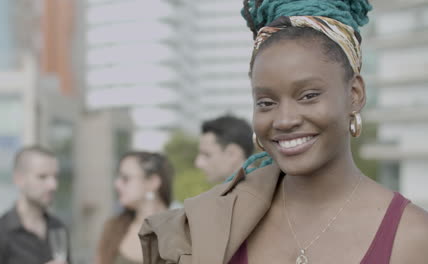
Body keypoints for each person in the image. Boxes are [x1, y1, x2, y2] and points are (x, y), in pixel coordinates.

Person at [139, 1, 428, 263]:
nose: (285, 120)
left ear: (354, 94)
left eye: (309, 95)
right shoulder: (214, 223)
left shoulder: (413, 237)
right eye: (266, 102)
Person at [0, 146, 71, 264]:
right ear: (18, 179)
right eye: (42, 177)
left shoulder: (58, 227)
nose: (53, 185)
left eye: (55, 177)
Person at [96, 152, 173, 264]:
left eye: (125, 178)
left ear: (152, 182)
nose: (117, 184)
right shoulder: (112, 228)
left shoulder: (183, 231)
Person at [195, 115, 254, 183]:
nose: (198, 163)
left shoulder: (255, 192)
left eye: (207, 155)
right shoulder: (261, 187)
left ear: (232, 154)